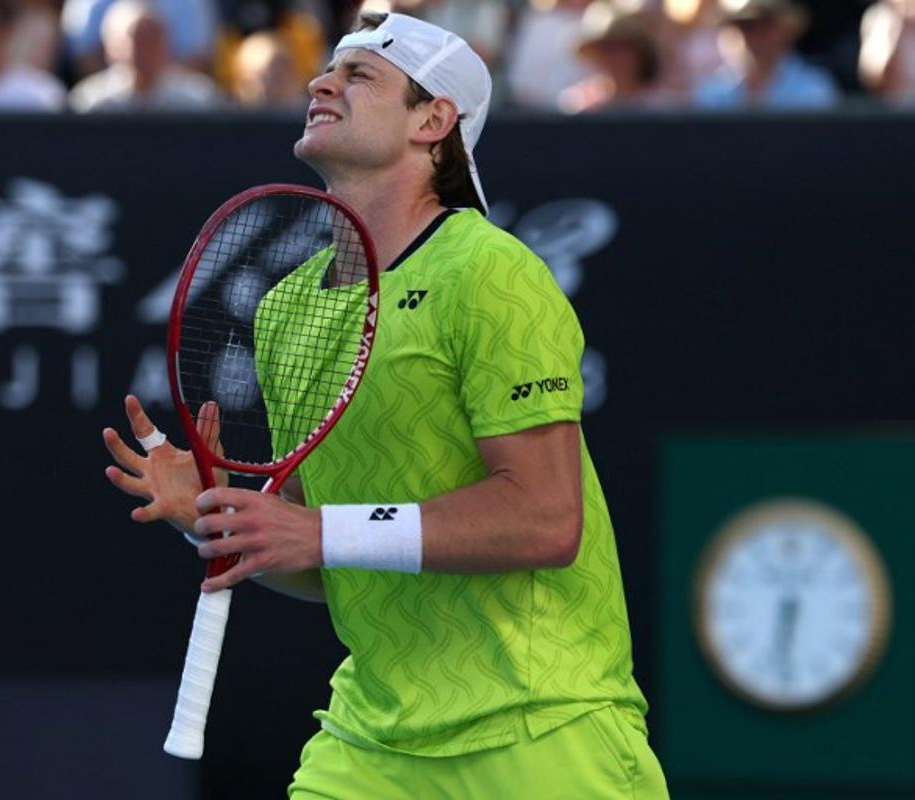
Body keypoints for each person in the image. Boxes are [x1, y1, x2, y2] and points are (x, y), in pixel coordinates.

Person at [103, 10, 669, 799]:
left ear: (433, 120)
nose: (320, 81)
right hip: (372, 742)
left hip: (541, 727)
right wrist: (223, 520)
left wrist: (318, 528)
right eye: (328, 69)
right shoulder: (287, 310)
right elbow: (324, 555)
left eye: (359, 74)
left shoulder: (492, 274)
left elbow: (546, 519)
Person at [69, 0, 220, 111]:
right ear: (110, 47)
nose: (143, 50)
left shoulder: (199, 102)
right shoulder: (90, 103)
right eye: (135, 39)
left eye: (153, 39)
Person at [694, 0, 839, 109]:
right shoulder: (712, 94)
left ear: (784, 30)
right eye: (745, 27)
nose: (755, 38)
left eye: (765, 27)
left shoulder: (814, 90)